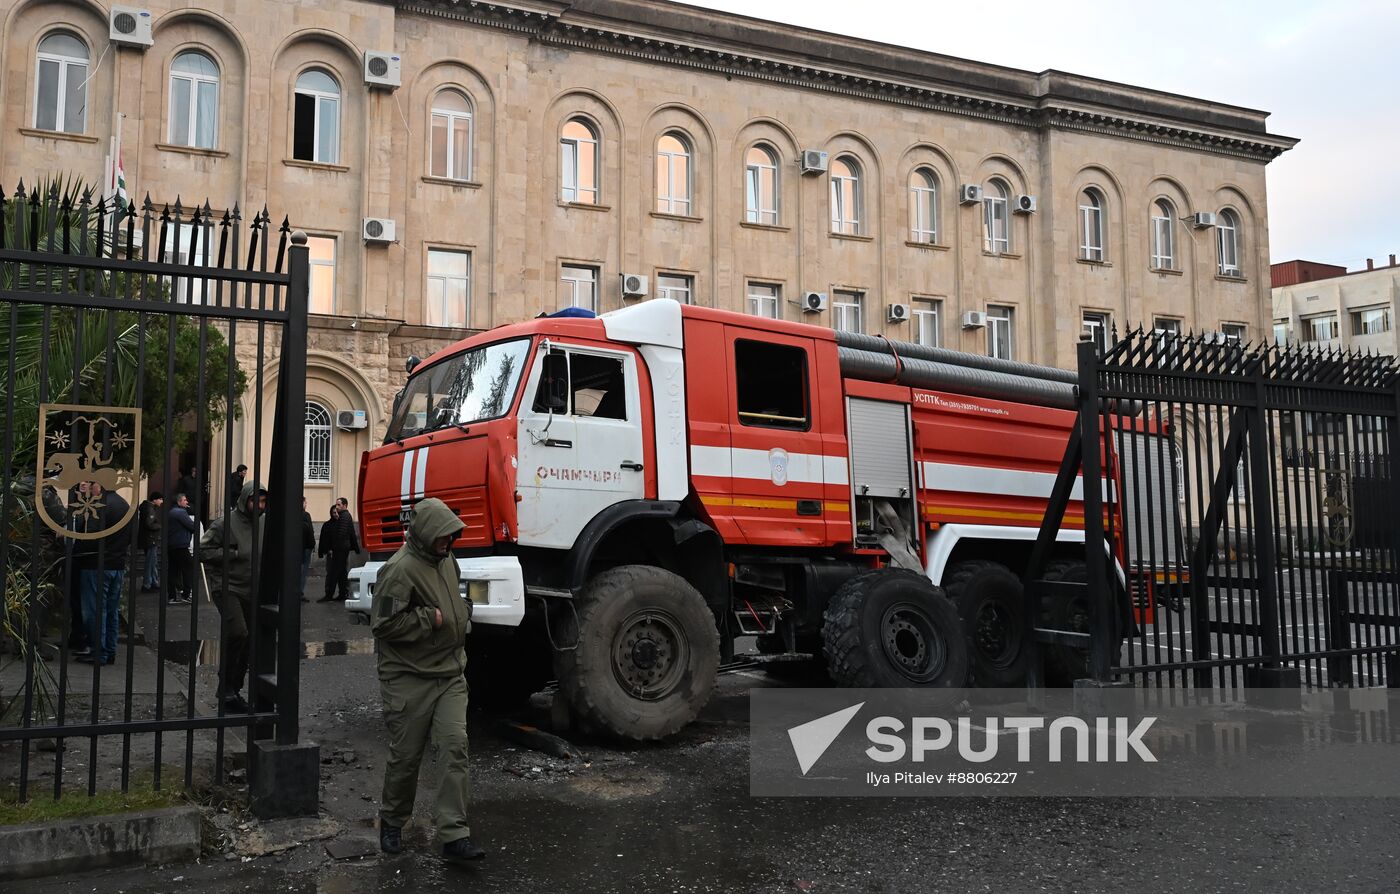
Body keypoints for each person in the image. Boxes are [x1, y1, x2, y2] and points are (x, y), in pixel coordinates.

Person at [370, 497, 481, 863]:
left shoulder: (447, 559)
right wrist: (427, 620)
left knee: (454, 747)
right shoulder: (398, 570)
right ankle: (392, 820)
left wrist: (462, 613)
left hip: (449, 673)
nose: (448, 541)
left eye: (452, 535)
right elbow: (383, 624)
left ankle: (454, 835)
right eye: (442, 535)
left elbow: (458, 597)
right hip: (408, 678)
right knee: (406, 757)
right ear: (424, 534)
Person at [200, 480, 266, 713]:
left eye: (262, 501)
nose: (258, 505)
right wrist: (231, 553)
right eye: (254, 500)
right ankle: (226, 687)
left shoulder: (264, 523)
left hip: (252, 588)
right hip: (228, 587)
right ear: (244, 500)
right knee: (238, 631)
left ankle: (231, 691)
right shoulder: (225, 523)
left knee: (247, 641)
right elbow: (202, 550)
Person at [71, 481, 133, 665]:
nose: (88, 489)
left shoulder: (100, 505)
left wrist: (78, 548)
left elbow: (90, 536)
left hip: (96, 564)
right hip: (117, 564)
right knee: (111, 610)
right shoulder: (123, 504)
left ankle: (99, 652)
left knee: (94, 611)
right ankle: (109, 650)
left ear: (98, 484)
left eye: (90, 484)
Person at [318, 502, 359, 602]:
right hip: (332, 552)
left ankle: (340, 593)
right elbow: (323, 539)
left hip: (339, 551)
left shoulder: (342, 520)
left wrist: (355, 548)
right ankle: (332, 593)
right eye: (333, 512)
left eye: (336, 512)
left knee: (340, 573)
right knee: (331, 573)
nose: (335, 514)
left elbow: (350, 534)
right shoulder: (328, 525)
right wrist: (324, 551)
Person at [166, 492, 198, 605]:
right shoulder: (180, 512)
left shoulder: (172, 512)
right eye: (185, 500)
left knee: (173, 570)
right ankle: (186, 594)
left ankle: (172, 596)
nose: (187, 502)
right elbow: (193, 527)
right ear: (179, 502)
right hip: (180, 545)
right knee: (188, 568)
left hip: (172, 544)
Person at [137, 491, 164, 592]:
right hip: (151, 539)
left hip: (147, 539)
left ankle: (153, 582)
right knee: (150, 562)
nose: (162, 501)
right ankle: (147, 584)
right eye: (160, 499)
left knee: (153, 561)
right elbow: (149, 524)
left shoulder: (146, 507)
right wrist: (159, 526)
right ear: (154, 500)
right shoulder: (150, 509)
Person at [300, 498, 316, 600]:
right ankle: (300, 592)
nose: (306, 504)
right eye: (305, 502)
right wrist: (312, 544)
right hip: (306, 547)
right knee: (303, 571)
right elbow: (310, 531)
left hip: (300, 546)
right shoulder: (305, 515)